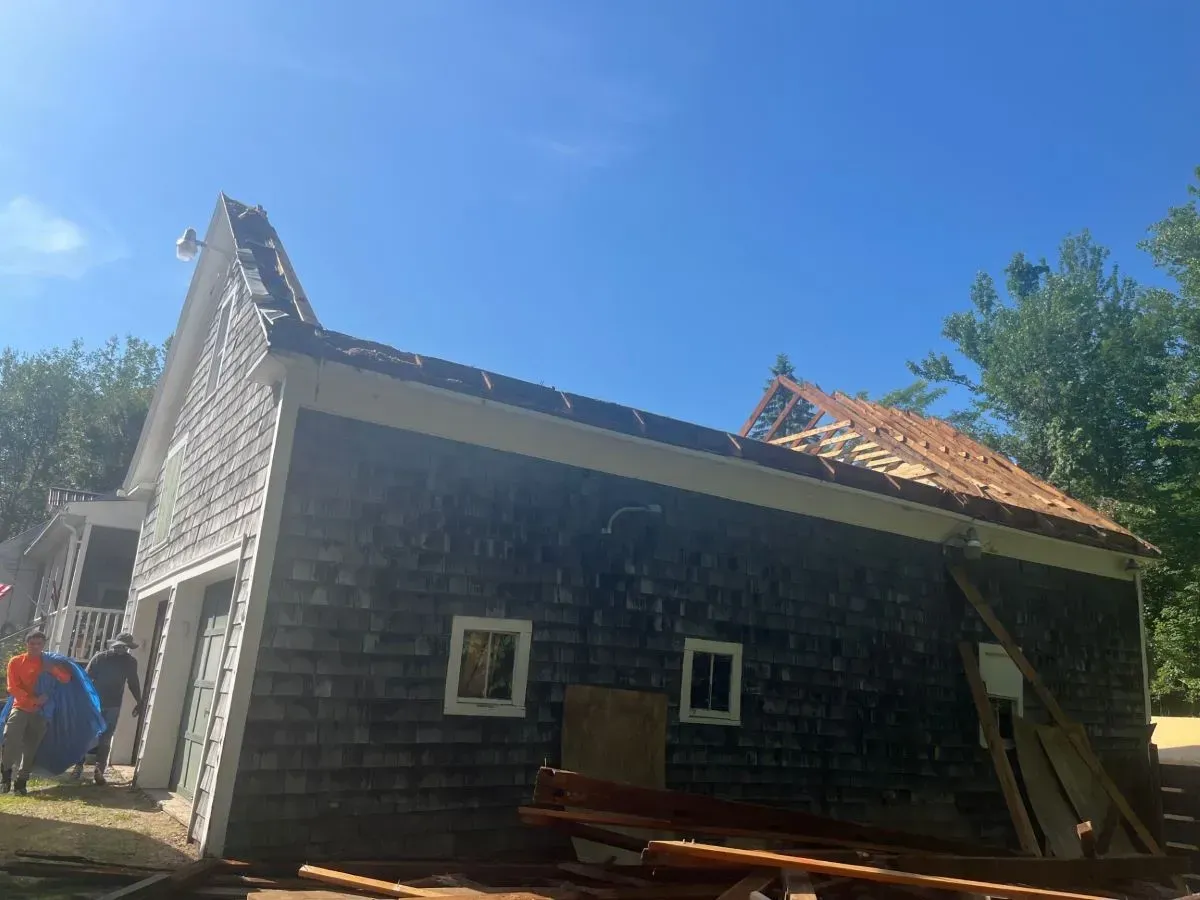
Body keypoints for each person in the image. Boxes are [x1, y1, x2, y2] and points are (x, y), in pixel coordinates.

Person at [2, 630, 72, 795]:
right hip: (21, 707)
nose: (35, 647)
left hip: (42, 712)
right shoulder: (16, 661)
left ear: (43, 645)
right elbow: (12, 687)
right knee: (10, 737)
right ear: (27, 644)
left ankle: (21, 782)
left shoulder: (49, 662)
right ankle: (5, 776)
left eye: (38, 644)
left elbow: (66, 678)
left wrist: (52, 670)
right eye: (32, 643)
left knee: (31, 748)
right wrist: (33, 700)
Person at [72, 632, 143, 785]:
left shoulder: (130, 662)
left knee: (106, 737)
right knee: (87, 734)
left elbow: (133, 682)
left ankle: (99, 770)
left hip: (113, 704)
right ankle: (78, 765)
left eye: (125, 647)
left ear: (128, 648)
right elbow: (86, 679)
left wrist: (139, 701)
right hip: (94, 703)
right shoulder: (100, 658)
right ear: (114, 645)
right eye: (119, 647)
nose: (121, 650)